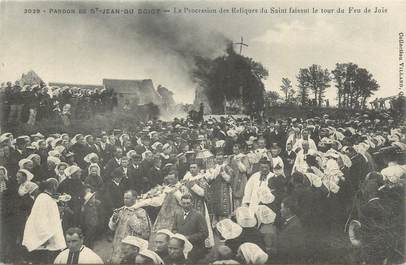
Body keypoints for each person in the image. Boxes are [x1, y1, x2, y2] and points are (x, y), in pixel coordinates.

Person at [22, 178, 66, 264]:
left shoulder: (45, 196)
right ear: (53, 187)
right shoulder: (43, 198)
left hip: (50, 234)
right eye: (56, 186)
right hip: (43, 237)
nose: (57, 189)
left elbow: (54, 197)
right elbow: (40, 219)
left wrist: (64, 197)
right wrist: (45, 236)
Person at [109, 190, 151, 263]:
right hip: (118, 243)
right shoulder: (121, 210)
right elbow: (112, 228)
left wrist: (131, 216)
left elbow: (142, 230)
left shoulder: (141, 212)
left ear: (134, 198)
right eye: (124, 198)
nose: (125, 200)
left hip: (131, 245)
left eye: (127, 198)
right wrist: (114, 219)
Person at [172, 194, 208, 262]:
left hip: (194, 248)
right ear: (180, 203)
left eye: (188, 203)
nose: (186, 205)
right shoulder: (178, 213)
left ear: (192, 203)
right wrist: (176, 235)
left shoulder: (198, 215)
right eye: (184, 203)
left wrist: (189, 237)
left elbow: (205, 233)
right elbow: (174, 228)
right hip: (181, 247)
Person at [273, 196, 306, 263]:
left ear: (288, 209)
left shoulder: (295, 226)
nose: (280, 210)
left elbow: (295, 251)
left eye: (282, 208)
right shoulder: (289, 221)